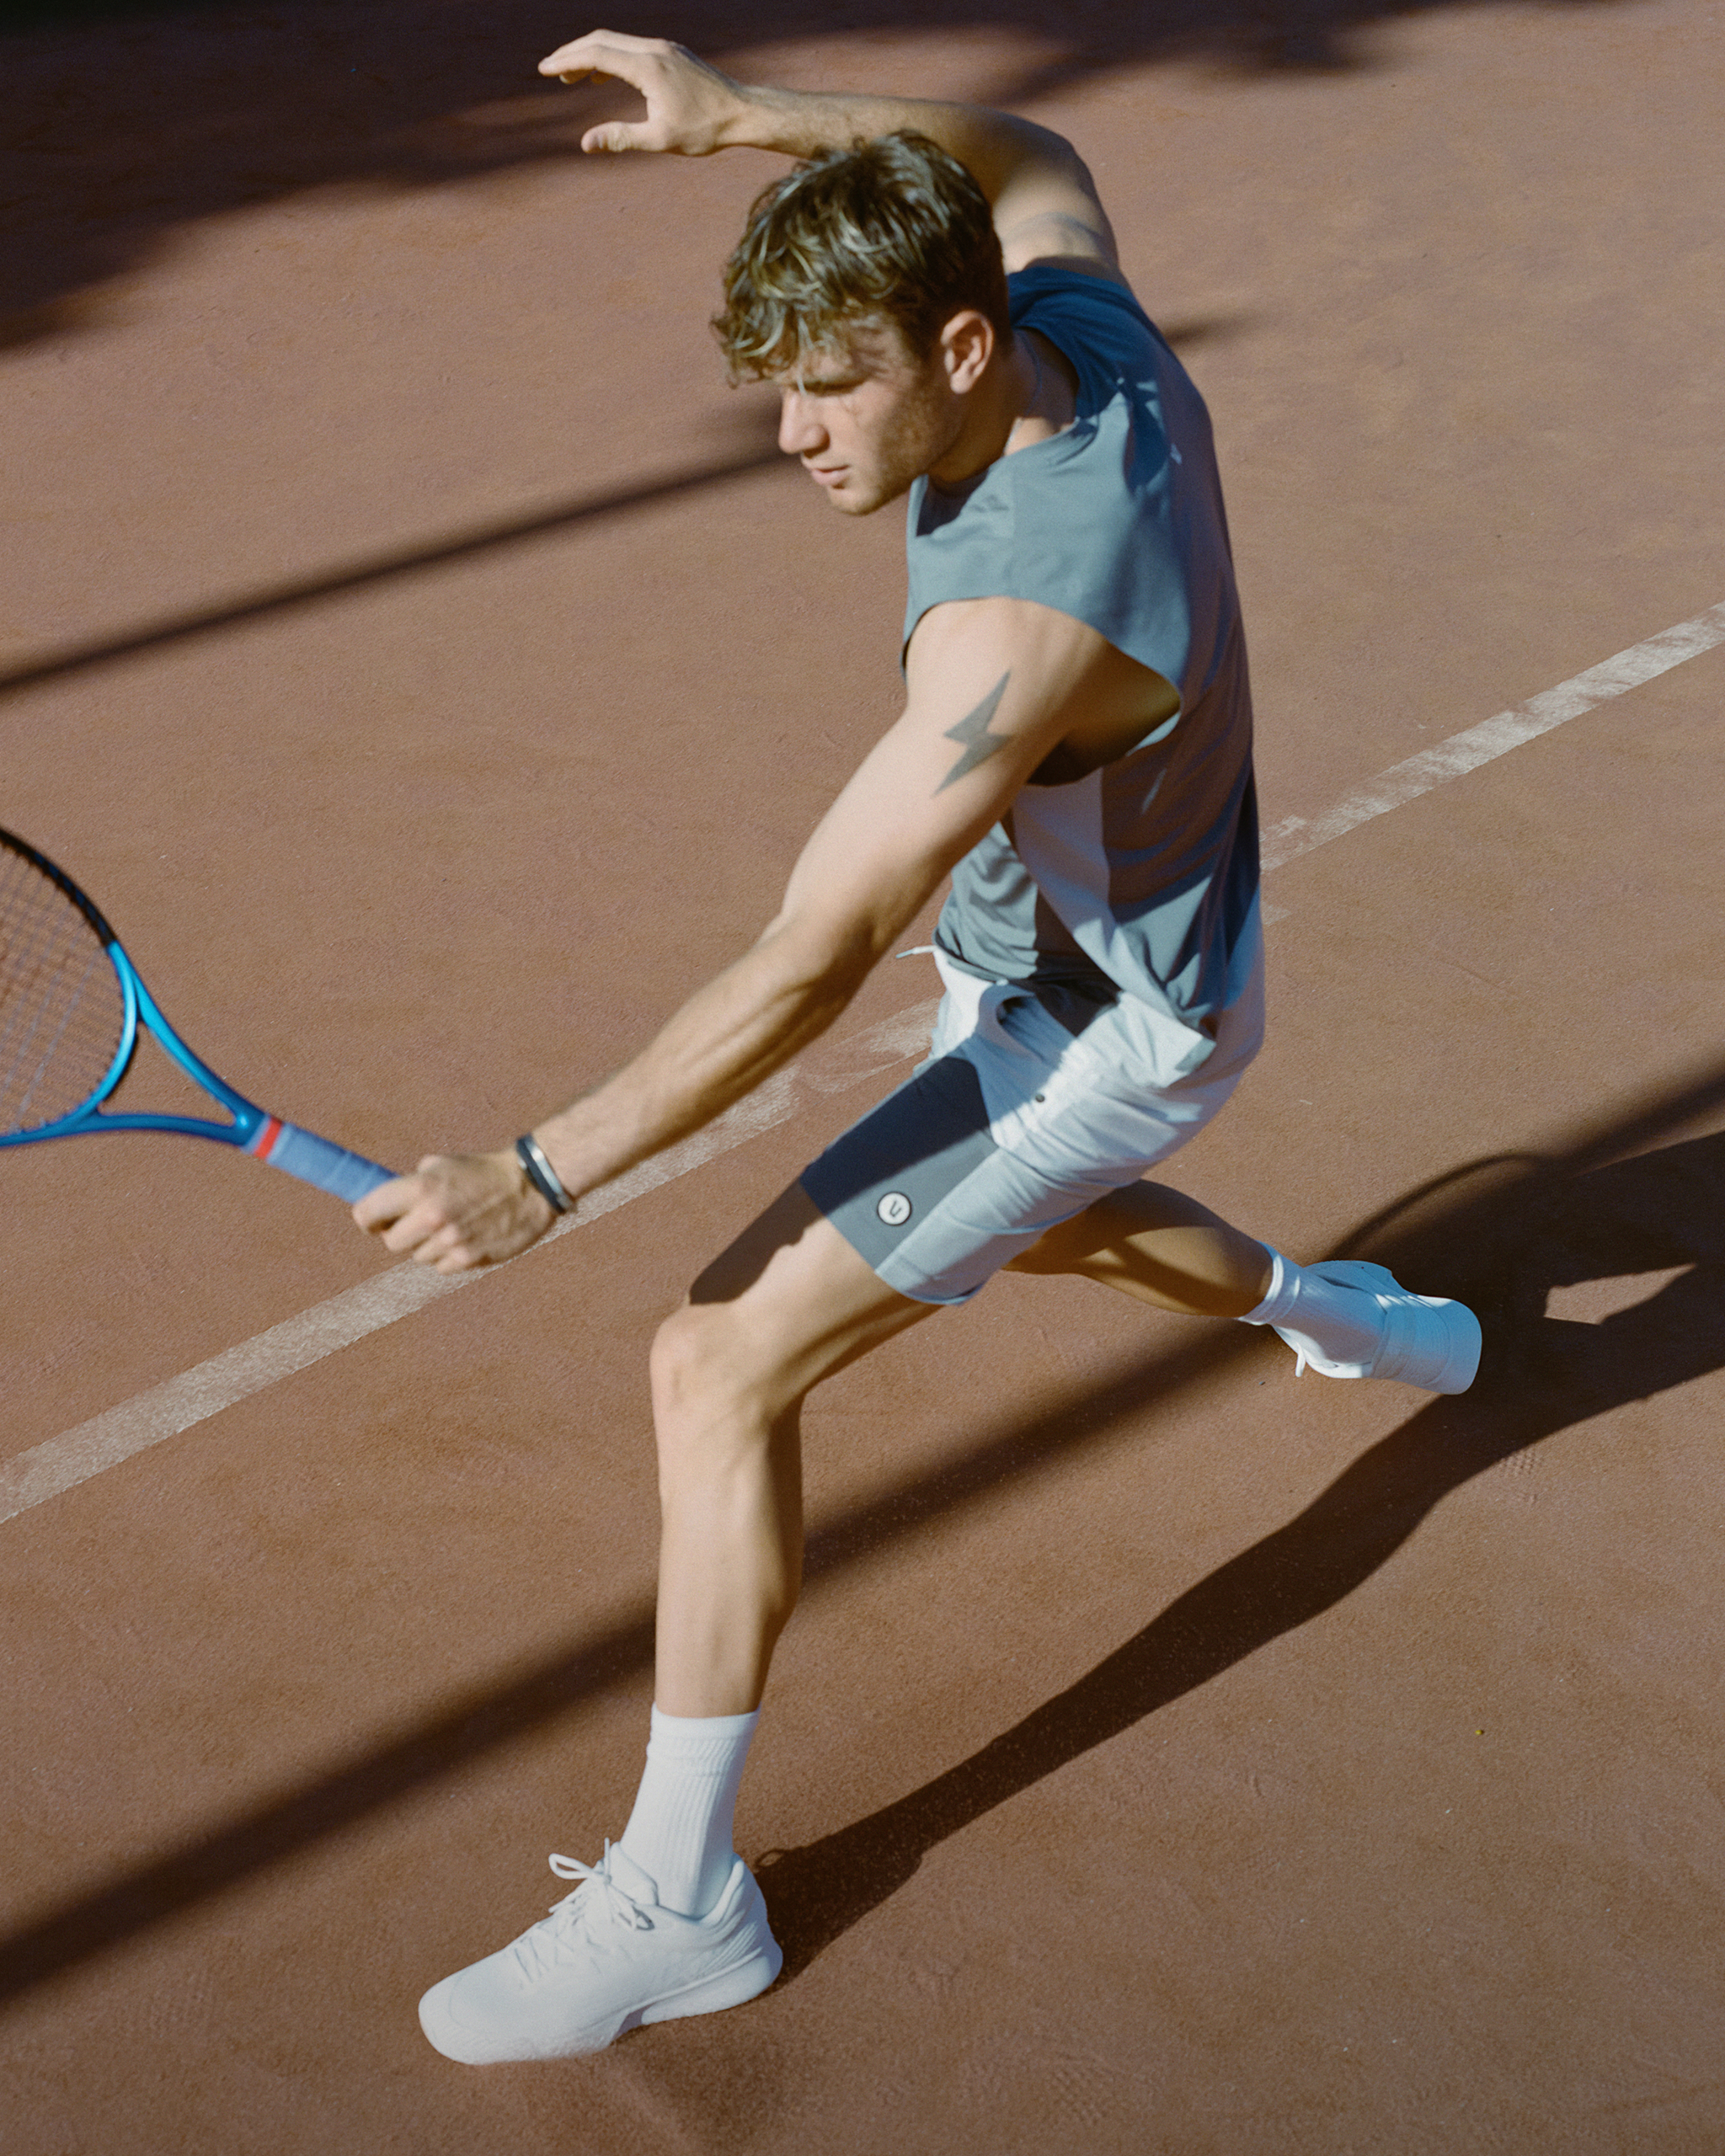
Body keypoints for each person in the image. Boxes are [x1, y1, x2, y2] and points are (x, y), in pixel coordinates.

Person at [356, 31, 1482, 2065]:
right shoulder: (1082, 325)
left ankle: (682, 1901)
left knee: (713, 1358)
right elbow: (1024, 140)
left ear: (959, 346)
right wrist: (745, 117)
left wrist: (537, 1170)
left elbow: (808, 959)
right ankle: (1343, 1315)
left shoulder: (1014, 631)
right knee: (1037, 1227)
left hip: (1102, 1020)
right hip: (1094, 943)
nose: (792, 432)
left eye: (833, 383)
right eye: (774, 385)